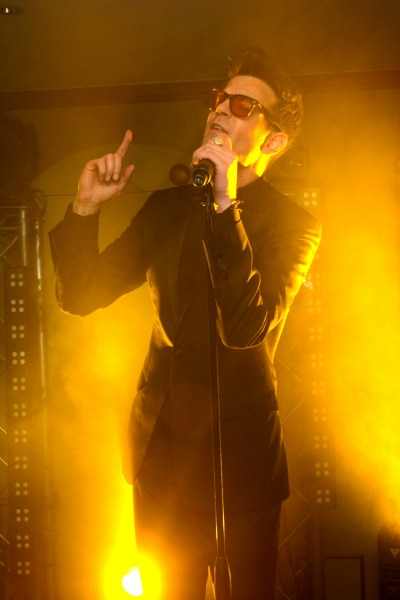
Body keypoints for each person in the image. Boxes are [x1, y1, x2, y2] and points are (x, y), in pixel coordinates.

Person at [49, 47, 321, 600]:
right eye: (219, 98)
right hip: (162, 454)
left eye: (242, 105)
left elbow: (246, 328)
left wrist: (224, 204)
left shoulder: (294, 225)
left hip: (242, 463)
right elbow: (79, 295)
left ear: (273, 142)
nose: (219, 108)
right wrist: (84, 208)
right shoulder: (167, 208)